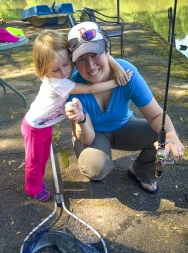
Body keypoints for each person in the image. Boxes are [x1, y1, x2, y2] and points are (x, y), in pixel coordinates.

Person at [65, 21, 185, 194]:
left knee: (162, 132)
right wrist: (79, 121)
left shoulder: (127, 72)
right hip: (91, 134)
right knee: (95, 168)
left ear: (107, 51)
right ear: (75, 64)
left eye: (95, 54)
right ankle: (97, 156)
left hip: (123, 126)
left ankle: (141, 171)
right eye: (82, 59)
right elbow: (85, 137)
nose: (90, 66)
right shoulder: (73, 86)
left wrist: (171, 135)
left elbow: (156, 115)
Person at [21, 29, 133, 201]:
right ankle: (32, 188)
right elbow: (90, 89)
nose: (64, 72)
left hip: (44, 124)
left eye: (66, 64)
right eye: (56, 69)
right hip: (35, 127)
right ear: (43, 69)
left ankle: (35, 180)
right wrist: (116, 82)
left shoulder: (62, 76)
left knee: (42, 156)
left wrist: (116, 65)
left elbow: (103, 52)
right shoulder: (57, 83)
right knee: (36, 159)